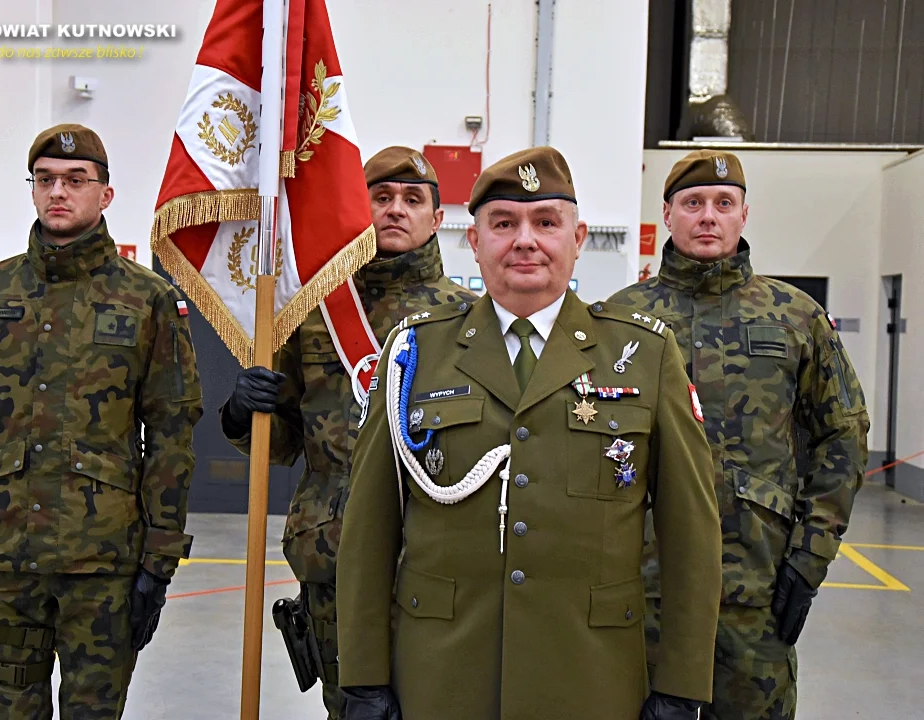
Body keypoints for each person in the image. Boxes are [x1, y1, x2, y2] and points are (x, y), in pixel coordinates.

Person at [336, 146, 723, 720]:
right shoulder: (413, 352)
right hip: (442, 676)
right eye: (503, 223)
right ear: (473, 241)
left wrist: (682, 686)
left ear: (578, 237)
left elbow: (691, 534)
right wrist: (363, 677)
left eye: (545, 221)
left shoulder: (643, 354)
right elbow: (369, 528)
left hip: (592, 678)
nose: (524, 240)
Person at [0, 123, 203, 719]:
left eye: (76, 180)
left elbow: (172, 433)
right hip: (2, 562)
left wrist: (159, 558)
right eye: (45, 180)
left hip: (102, 566)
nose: (58, 192)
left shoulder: (146, 300)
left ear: (106, 194)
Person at [609, 149, 870, 720]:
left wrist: (810, 556)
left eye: (723, 204)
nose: (708, 216)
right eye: (693, 203)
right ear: (668, 213)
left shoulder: (794, 317)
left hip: (755, 589)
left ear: (743, 216)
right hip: (638, 592)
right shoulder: (618, 318)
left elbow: (843, 436)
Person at [221, 147, 476, 719]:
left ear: (438, 219)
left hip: (440, 558)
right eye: (380, 198)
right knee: (349, 709)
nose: (395, 210)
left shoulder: (472, 320)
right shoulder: (311, 314)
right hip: (334, 555)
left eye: (413, 200)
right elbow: (284, 440)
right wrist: (243, 416)